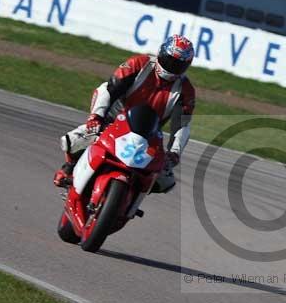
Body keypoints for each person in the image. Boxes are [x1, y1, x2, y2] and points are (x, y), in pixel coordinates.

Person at [53, 34, 196, 193]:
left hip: (148, 136)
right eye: (169, 60)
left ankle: (130, 201)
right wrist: (96, 117)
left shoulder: (186, 90)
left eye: (178, 65)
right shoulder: (138, 64)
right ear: (161, 53)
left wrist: (174, 153)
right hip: (113, 123)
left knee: (165, 180)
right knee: (72, 140)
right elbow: (108, 90)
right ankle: (70, 168)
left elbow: (182, 125)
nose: (171, 66)